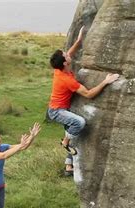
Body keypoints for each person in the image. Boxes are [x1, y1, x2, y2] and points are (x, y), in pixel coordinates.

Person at [47, 26, 119, 174]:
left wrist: (79, 40)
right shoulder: (67, 80)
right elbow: (89, 94)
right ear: (65, 63)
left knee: (73, 134)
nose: (68, 54)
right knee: (79, 123)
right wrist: (106, 82)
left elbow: (70, 53)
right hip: (57, 111)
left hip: (61, 109)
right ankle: (65, 142)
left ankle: (68, 166)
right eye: (66, 55)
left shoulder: (58, 68)